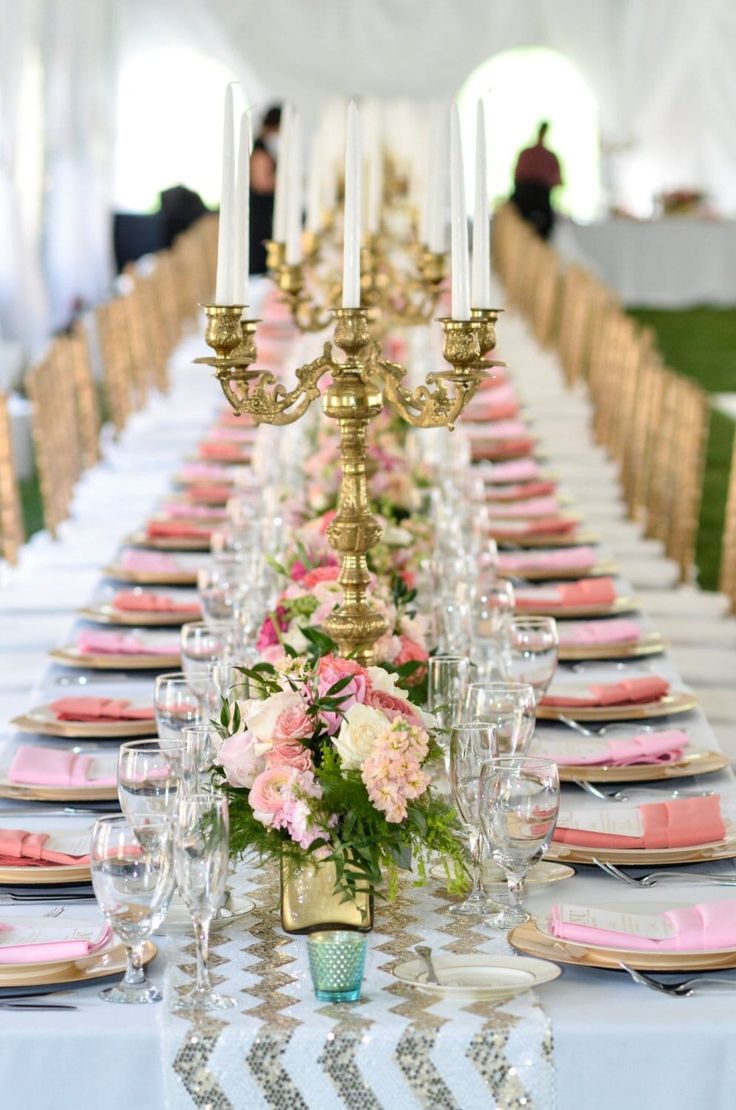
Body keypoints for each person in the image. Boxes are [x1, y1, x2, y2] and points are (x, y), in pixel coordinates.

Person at [511, 122, 562, 241]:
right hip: (533, 198)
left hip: (530, 197)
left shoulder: (528, 154)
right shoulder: (548, 156)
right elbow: (558, 181)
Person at [249, 105, 282, 274]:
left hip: (263, 210)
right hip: (259, 211)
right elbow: (261, 183)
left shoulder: (264, 146)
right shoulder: (260, 149)